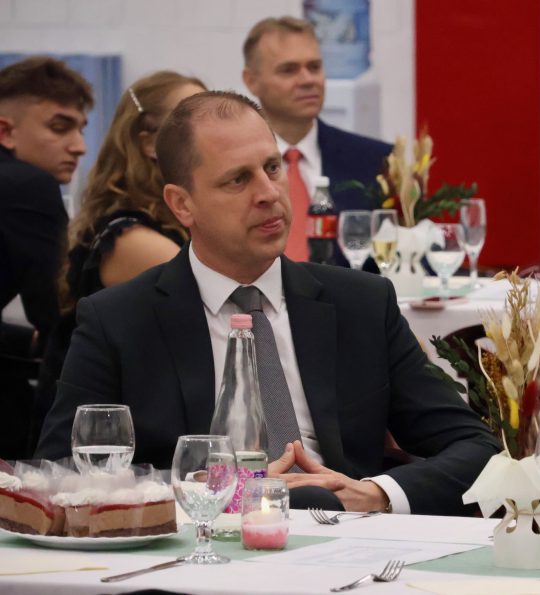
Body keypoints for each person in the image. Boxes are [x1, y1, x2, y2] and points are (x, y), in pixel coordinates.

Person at [36, 91, 499, 515]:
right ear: (182, 204)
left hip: (346, 536)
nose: (268, 193)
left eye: (272, 168)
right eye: (238, 179)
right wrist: (211, 488)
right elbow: (60, 475)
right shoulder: (119, 320)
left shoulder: (361, 303)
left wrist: (375, 494)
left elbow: (475, 448)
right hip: (204, 546)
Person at [30, 71, 206, 451]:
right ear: (148, 143)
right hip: (100, 446)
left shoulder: (159, 226)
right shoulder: (131, 239)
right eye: (190, 122)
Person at [242, 16, 392, 265]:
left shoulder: (375, 162)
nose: (307, 80)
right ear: (251, 81)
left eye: (314, 67)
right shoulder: (233, 166)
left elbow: (408, 262)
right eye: (289, 70)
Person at [0, 56, 91, 460]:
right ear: (5, 131)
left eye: (81, 128)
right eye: (59, 127)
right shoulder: (27, 184)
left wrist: (25, 339)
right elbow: (58, 310)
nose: (79, 146)